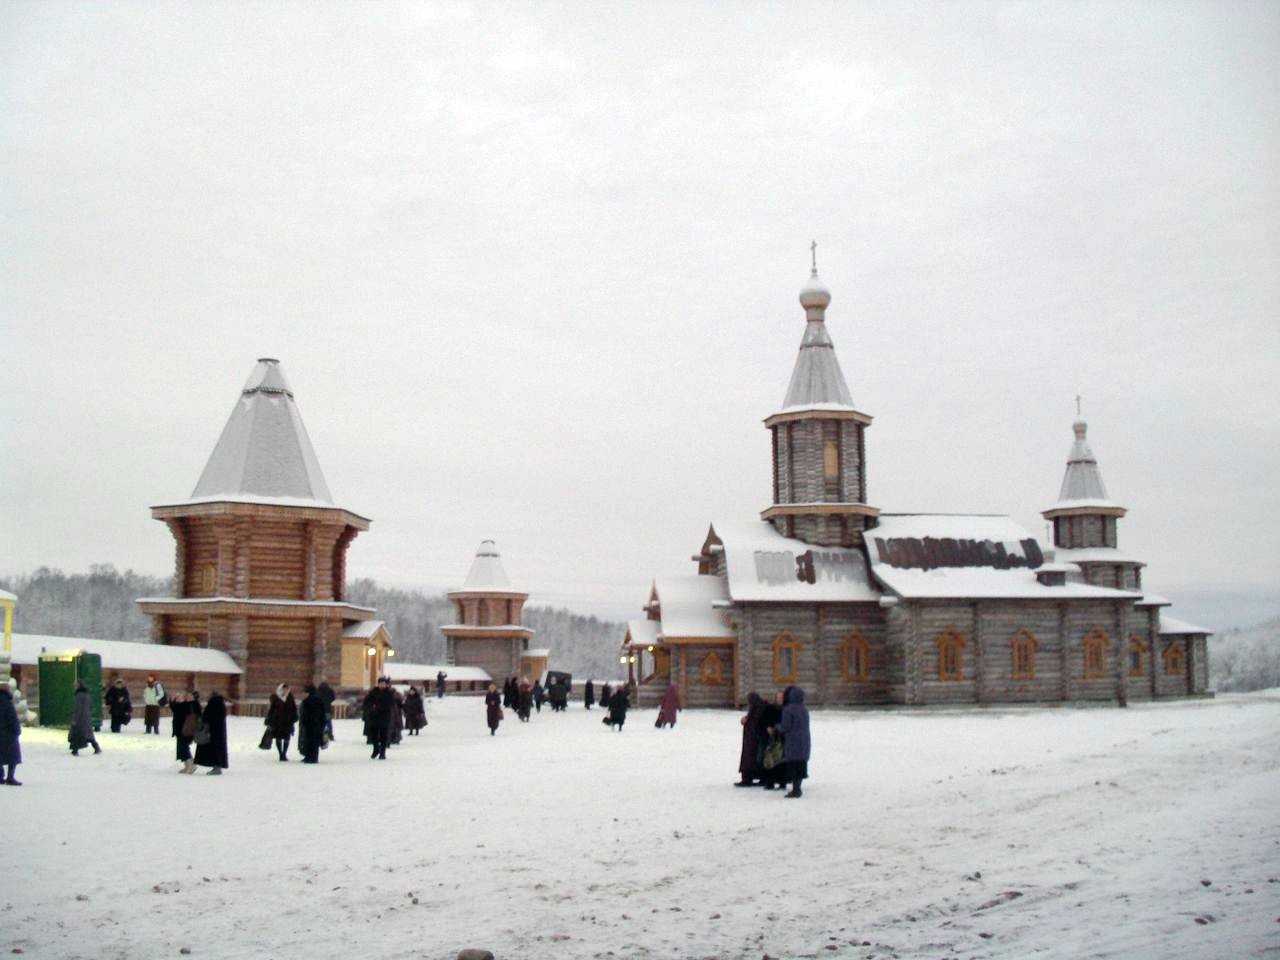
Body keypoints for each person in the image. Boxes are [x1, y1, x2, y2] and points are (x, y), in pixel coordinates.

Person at [776, 686, 811, 798]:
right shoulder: (804, 710)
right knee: (801, 764)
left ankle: (796, 790)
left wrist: (777, 727)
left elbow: (785, 726)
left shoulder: (788, 709)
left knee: (793, 765)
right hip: (804, 740)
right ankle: (798, 787)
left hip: (792, 740)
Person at [735, 692, 768, 786]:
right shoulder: (759, 707)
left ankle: (748, 779)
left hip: (754, 739)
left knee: (751, 759)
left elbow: (755, 722)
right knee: (757, 759)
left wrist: (747, 721)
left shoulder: (758, 708)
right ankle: (760, 778)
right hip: (755, 738)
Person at [193, 691, 228, 775]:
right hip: (218, 732)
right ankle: (217, 767)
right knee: (217, 750)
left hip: (212, 732)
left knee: (214, 750)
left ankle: (217, 768)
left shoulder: (213, 704)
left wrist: (202, 719)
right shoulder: (220, 704)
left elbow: (209, 716)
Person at [363, 677, 394, 760]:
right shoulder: (373, 692)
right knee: (373, 734)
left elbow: (390, 704)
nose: (382, 685)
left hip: (384, 716)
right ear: (378, 684)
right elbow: (367, 702)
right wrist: (370, 709)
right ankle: (376, 749)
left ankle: (383, 752)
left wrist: (379, 707)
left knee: (383, 735)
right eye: (380, 683)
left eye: (383, 684)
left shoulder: (389, 693)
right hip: (374, 717)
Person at [760, 690, 786, 790]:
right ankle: (769, 782)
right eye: (778, 697)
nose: (780, 699)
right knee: (770, 758)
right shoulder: (770, 708)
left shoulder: (786, 709)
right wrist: (768, 726)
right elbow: (764, 720)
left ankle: (782, 782)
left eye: (782, 697)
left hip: (782, 738)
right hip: (771, 738)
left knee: (782, 760)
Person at [265, 683, 298, 761]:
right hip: (277, 722)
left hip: (288, 722)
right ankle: (280, 753)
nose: (285, 691)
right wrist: (269, 720)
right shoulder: (276, 698)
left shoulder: (290, 698)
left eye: (286, 689)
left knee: (287, 738)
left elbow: (294, 709)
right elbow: (272, 710)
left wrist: (294, 718)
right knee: (278, 738)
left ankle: (284, 753)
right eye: (283, 689)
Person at [68, 682, 102, 757]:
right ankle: (96, 747)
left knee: (77, 734)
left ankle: (75, 750)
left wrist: (74, 719)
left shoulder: (78, 696)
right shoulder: (87, 695)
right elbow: (90, 706)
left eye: (75, 685)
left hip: (79, 718)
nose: (74, 687)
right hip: (86, 718)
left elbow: (77, 708)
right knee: (88, 734)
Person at [0, 680, 21, 786]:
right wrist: (17, 730)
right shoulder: (7, 703)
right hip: (8, 735)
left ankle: (0, 776)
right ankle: (10, 777)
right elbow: (12, 718)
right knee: (13, 757)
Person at [298, 685, 327, 764]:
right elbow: (323, 713)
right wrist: (323, 723)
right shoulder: (319, 701)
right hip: (317, 724)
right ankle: (313, 757)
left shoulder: (307, 701)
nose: (304, 694)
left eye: (305, 692)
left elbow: (305, 714)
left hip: (310, 725)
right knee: (314, 742)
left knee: (309, 741)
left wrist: (303, 723)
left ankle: (309, 757)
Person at [173, 690, 200, 773]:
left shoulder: (192, 704)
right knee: (181, 747)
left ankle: (191, 764)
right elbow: (175, 710)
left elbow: (182, 712)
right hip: (182, 729)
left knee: (184, 746)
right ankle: (187, 765)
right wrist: (174, 701)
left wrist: (180, 702)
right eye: (186, 696)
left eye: (189, 696)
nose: (186, 697)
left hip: (188, 730)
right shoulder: (186, 704)